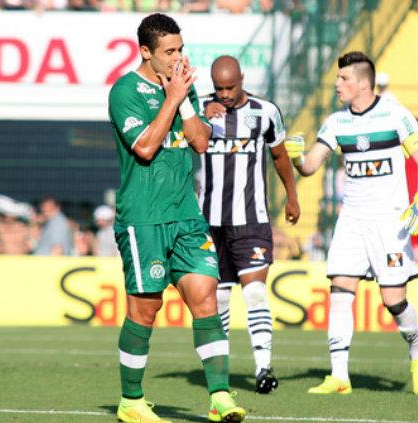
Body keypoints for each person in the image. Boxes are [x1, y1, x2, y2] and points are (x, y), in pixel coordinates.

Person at [108, 13, 245, 423]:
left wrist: (183, 97)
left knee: (205, 297)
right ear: (146, 52)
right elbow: (146, 148)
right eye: (169, 51)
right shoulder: (124, 92)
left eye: (181, 49)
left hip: (186, 215)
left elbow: (201, 142)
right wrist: (171, 98)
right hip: (143, 218)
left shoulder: (183, 88)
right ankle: (131, 401)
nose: (177, 58)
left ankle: (220, 397)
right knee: (144, 310)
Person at [284, 51, 418, 397]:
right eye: (338, 79)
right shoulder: (337, 123)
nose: (337, 84)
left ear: (363, 84)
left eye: (344, 79)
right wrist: (296, 158)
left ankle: (416, 349)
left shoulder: (395, 114)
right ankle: (339, 376)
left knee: (393, 300)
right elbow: (310, 167)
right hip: (351, 218)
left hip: (390, 221)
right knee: (339, 290)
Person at [198, 55, 300, 394]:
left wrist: (292, 196)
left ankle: (263, 368)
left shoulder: (265, 112)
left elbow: (280, 155)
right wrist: (198, 118)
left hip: (251, 219)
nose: (224, 94)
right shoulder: (199, 109)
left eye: (231, 87)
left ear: (242, 79)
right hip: (210, 222)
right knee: (220, 298)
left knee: (255, 292)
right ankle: (222, 371)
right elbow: (173, 137)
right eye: (219, 89)